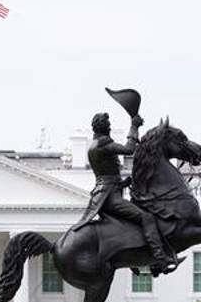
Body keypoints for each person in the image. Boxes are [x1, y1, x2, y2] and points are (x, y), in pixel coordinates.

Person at [75, 112, 177, 275]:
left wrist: (124, 183)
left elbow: (106, 177)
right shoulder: (102, 145)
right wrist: (134, 126)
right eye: (108, 126)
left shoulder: (94, 146)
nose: (110, 128)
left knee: (133, 220)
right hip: (110, 199)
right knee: (146, 217)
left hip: (104, 195)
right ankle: (160, 258)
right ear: (105, 128)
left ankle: (134, 257)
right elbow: (129, 149)